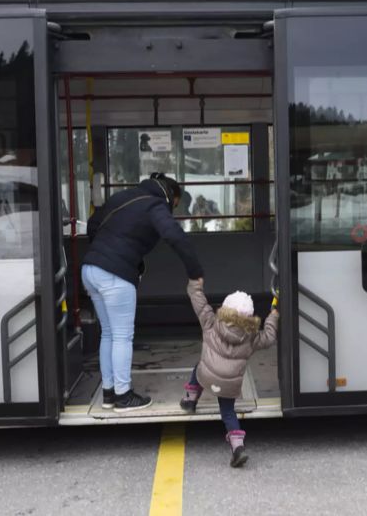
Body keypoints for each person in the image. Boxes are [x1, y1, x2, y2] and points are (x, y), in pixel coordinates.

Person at [82, 172, 203, 412]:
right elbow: (174, 235)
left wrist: (105, 252)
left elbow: (92, 225)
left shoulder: (123, 196)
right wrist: (194, 271)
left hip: (90, 270)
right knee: (122, 336)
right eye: (175, 205)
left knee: (108, 333)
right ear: (171, 195)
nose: (173, 210)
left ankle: (109, 393)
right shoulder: (155, 204)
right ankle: (123, 396)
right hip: (115, 275)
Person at [180, 278, 279, 467]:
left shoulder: (210, 322)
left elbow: (199, 302)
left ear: (225, 309)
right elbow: (269, 337)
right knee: (228, 413)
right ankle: (237, 448)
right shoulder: (251, 337)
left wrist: (196, 285)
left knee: (200, 366)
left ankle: (190, 400)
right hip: (228, 385)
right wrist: (273, 315)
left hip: (206, 376)